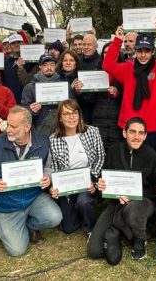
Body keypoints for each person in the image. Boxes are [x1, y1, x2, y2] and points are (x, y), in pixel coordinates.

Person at [0, 106, 62, 257]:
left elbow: (49, 167)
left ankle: (28, 226)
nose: (8, 129)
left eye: (13, 126)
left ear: (27, 127)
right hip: (6, 203)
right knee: (17, 250)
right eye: (7, 124)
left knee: (55, 217)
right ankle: (3, 225)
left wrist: (48, 177)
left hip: (33, 197)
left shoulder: (44, 142)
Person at [88, 117, 156, 264]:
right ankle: (121, 233)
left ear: (146, 135)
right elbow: (105, 178)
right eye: (132, 132)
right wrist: (101, 185)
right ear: (124, 133)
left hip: (143, 202)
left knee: (132, 211)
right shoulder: (114, 151)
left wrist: (134, 196)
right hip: (117, 202)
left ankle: (140, 239)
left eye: (141, 133)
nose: (136, 136)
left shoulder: (151, 154)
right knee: (94, 251)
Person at [103, 18, 156, 154]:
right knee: (129, 166)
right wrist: (117, 40)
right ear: (136, 50)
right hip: (130, 127)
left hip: (153, 128)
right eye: (140, 51)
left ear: (153, 52)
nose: (143, 55)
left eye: (147, 51)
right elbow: (107, 65)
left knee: (151, 167)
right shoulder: (128, 68)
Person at [48, 99, 104, 234]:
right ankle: (76, 209)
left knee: (84, 202)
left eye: (74, 113)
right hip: (67, 184)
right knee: (68, 227)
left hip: (87, 180)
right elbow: (55, 167)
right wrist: (53, 187)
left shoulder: (92, 131)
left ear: (79, 115)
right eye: (66, 114)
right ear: (60, 118)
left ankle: (89, 227)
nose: (71, 117)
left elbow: (100, 157)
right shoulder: (53, 139)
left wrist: (92, 179)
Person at [21, 54, 70, 132]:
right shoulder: (30, 87)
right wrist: (31, 110)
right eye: (45, 65)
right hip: (39, 130)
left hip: (61, 129)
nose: (49, 68)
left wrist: (66, 106)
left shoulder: (64, 86)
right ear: (40, 66)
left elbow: (73, 104)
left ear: (55, 66)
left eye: (52, 65)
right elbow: (23, 111)